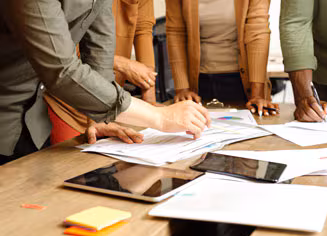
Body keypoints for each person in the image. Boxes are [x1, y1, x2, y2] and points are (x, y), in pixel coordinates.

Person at [0, 0, 210, 165]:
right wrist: (159, 117)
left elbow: (99, 44)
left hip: (31, 124)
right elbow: (61, 69)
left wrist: (100, 117)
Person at [44, 0, 159, 144]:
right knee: (71, 161)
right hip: (68, 100)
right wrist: (123, 64)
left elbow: (143, 28)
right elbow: (59, 54)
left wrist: (149, 98)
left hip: (109, 103)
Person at [165, 0, 279, 116]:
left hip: (244, 83)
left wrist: (257, 95)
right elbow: (176, 32)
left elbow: (257, 31)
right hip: (198, 84)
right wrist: (182, 89)